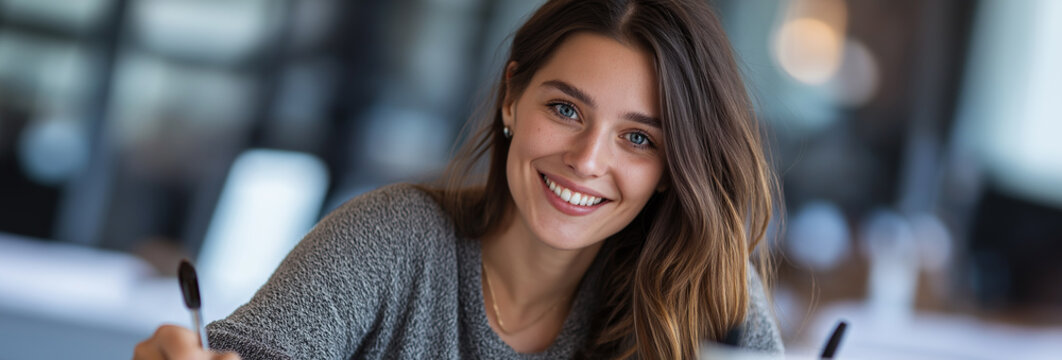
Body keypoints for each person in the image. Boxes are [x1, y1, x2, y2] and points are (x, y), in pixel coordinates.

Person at [133, 0, 782, 358]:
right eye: (565, 110)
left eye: (638, 138)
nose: (587, 161)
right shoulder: (392, 238)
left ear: (675, 168)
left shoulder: (705, 287)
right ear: (510, 99)